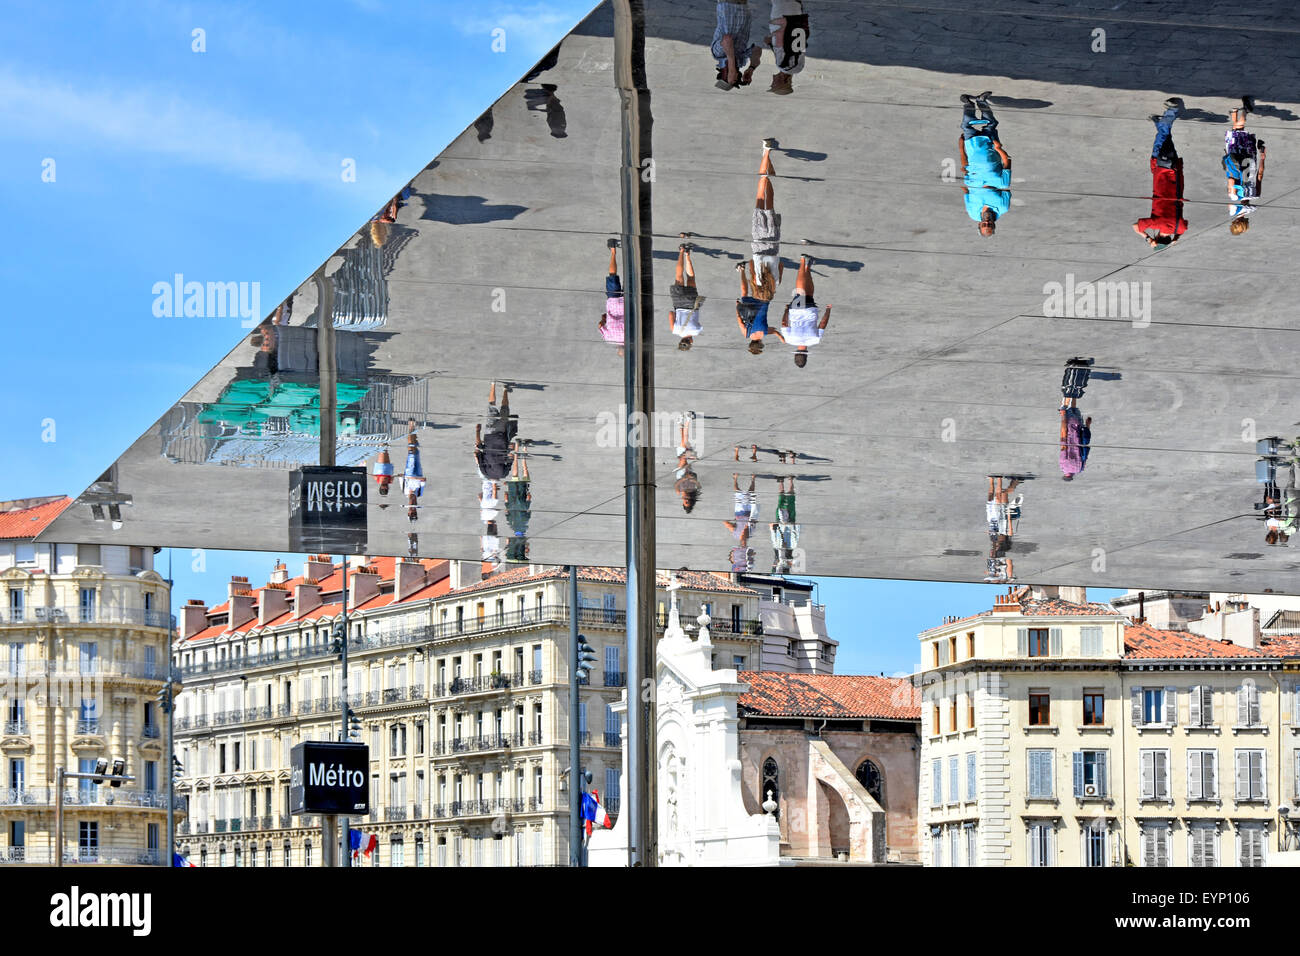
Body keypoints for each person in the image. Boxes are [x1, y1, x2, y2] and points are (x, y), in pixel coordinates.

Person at [1133, 98, 1188, 246]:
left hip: (1175, 174)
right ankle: (1172, 111)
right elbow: (1136, 227)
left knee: (1164, 141)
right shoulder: (1158, 224)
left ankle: (1160, 122)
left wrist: (1175, 239)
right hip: (1163, 172)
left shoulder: (1180, 227)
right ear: (1157, 236)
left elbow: (1183, 228)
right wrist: (1148, 239)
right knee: (1163, 139)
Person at [958, 92, 1010, 236]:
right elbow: (1007, 168)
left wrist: (961, 149)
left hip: (973, 155)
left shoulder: (972, 213)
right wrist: (999, 148)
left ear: (979, 224)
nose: (987, 222)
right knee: (990, 125)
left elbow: (966, 181)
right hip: (991, 152)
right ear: (994, 224)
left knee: (967, 127)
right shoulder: (1003, 207)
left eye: (984, 225)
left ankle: (968, 104)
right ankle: (982, 102)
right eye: (990, 225)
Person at [1224, 96, 1265, 234]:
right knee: (1237, 133)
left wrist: (1263, 158)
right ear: (1234, 221)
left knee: (1238, 132)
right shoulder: (1234, 197)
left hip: (1250, 158)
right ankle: (1245, 111)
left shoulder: (1255, 195)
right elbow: (1231, 179)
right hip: (1237, 162)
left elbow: (1260, 175)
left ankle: (1234, 114)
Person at [781, 255, 830, 365]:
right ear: (795, 355)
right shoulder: (789, 340)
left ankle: (805, 264)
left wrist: (828, 310)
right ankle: (805, 265)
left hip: (810, 309)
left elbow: (822, 324)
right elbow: (784, 323)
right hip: (796, 310)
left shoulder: (815, 340)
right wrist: (786, 310)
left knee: (809, 293)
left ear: (806, 355)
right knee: (802, 291)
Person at [712, 1, 761, 90]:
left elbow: (727, 39)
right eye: (736, 79)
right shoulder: (740, 59)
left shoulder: (718, 54)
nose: (737, 77)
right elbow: (757, 49)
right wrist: (751, 68)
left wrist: (731, 67)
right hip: (743, 9)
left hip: (728, 6)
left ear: (724, 74)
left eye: (733, 79)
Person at [765, 1, 809, 95]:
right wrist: (772, 34)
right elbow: (780, 37)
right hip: (782, 16)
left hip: (796, 17)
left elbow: (795, 47)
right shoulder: (782, 66)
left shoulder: (798, 68)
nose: (772, 81)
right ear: (783, 81)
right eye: (773, 84)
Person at [475, 382, 516, 481]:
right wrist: (477, 431)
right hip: (489, 435)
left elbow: (511, 458)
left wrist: (510, 448)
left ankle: (505, 390)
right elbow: (477, 453)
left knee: (504, 411)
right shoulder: (485, 473)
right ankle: (493, 385)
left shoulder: (503, 474)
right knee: (491, 407)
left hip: (501, 437)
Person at [668, 240, 703, 350]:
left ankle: (687, 255)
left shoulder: (697, 331)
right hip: (679, 303)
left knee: (691, 278)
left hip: (693, 303)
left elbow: (697, 321)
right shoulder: (675, 330)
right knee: (679, 276)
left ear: (691, 342)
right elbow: (670, 314)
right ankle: (682, 251)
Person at [736, 262, 774, 354]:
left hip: (763, 304)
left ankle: (757, 268)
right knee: (744, 293)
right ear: (750, 343)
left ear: (760, 342)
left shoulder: (763, 333)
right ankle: (742, 269)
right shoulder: (746, 334)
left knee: (759, 289)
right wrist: (738, 306)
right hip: (749, 308)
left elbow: (773, 330)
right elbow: (739, 320)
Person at [597, 239, 625, 350]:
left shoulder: (631, 338)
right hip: (613, 303)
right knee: (612, 275)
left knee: (633, 280)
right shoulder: (609, 338)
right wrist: (604, 320)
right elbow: (600, 325)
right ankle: (613, 250)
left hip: (628, 305)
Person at [504, 453, 532, 564]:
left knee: (522, 476)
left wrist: (529, 498)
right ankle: (517, 455)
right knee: (515, 476)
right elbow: (507, 510)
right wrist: (506, 496)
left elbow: (528, 510)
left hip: (522, 498)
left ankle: (522, 456)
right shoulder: (512, 523)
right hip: (513, 499)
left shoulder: (524, 523)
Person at [674, 413, 702, 512]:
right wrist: (691, 477)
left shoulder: (679, 491)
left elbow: (679, 481)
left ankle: (688, 420)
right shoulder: (692, 489)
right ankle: (680, 422)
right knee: (684, 440)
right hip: (687, 463)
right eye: (689, 500)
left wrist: (686, 478)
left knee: (685, 440)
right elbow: (695, 477)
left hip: (682, 463)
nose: (687, 499)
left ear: (682, 502)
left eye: (685, 501)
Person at [402, 426, 425, 522]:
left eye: (411, 513)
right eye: (414, 513)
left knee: (411, 451)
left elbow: (403, 478)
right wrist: (417, 479)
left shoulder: (405, 491)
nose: (413, 511)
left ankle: (411, 427)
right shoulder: (419, 493)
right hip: (418, 473)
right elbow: (424, 480)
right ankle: (413, 433)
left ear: (408, 512)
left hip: (410, 472)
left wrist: (411, 478)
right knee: (416, 451)